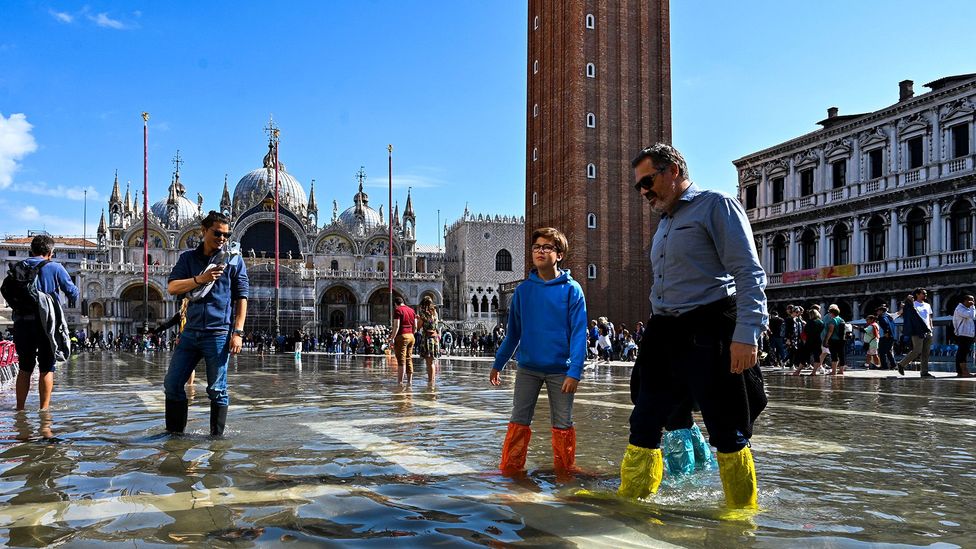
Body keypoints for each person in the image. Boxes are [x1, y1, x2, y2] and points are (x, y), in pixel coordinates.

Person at [620, 143, 767, 510]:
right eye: (638, 186)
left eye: (647, 181)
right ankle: (634, 499)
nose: (643, 192)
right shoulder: (664, 222)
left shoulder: (716, 205)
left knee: (727, 427)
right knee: (645, 418)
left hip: (710, 326)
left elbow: (748, 272)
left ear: (673, 171)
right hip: (664, 332)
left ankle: (741, 510)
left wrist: (746, 335)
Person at [491, 227, 587, 478]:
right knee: (519, 419)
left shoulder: (572, 290)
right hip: (528, 369)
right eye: (536, 247)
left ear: (560, 254)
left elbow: (579, 334)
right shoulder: (523, 291)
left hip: (562, 371)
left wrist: (575, 371)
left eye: (547, 247)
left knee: (563, 421)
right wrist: (498, 363)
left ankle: (565, 471)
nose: (540, 251)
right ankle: (511, 470)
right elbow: (513, 333)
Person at [162, 211, 249, 436]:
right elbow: (172, 288)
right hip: (190, 332)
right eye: (217, 233)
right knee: (172, 384)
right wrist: (200, 279)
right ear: (204, 231)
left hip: (218, 332)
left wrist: (237, 332)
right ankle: (174, 436)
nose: (222, 239)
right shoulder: (187, 259)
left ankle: (216, 441)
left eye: (226, 235)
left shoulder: (233, 260)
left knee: (217, 390)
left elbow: (242, 297)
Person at [10, 235, 79, 410]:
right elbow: (73, 293)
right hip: (46, 324)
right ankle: (44, 410)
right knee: (47, 367)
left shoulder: (19, 267)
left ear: (31, 251)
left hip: (22, 323)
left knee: (24, 367)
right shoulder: (55, 267)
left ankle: (20, 409)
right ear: (50, 252)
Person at [896, 289, 934, 377]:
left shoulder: (927, 305)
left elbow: (929, 317)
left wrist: (931, 327)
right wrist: (907, 301)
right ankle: (902, 364)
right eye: (923, 293)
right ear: (917, 294)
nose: (925, 295)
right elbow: (901, 313)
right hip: (917, 330)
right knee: (917, 350)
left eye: (926, 294)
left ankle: (924, 372)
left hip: (928, 330)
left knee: (926, 352)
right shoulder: (912, 304)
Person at [389, 296, 417, 384]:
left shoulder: (398, 310)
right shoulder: (412, 310)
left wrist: (392, 338)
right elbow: (415, 326)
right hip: (411, 336)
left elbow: (396, 326)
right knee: (409, 358)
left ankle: (400, 382)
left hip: (402, 336)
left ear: (395, 304)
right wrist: (412, 333)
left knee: (401, 360)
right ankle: (409, 381)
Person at [416, 295, 441, 383]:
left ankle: (430, 382)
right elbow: (436, 326)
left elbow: (418, 327)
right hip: (435, 339)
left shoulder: (423, 314)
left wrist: (418, 320)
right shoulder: (435, 313)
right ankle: (432, 380)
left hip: (427, 339)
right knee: (432, 362)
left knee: (429, 362)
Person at [952, 294, 974, 378]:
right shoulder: (960, 309)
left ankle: (960, 372)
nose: (973, 302)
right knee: (962, 353)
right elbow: (971, 315)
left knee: (963, 352)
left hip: (968, 334)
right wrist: (973, 307)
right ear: (965, 301)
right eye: (971, 300)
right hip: (963, 333)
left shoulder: (966, 309)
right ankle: (964, 372)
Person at [821, 305, 847, 375]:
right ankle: (841, 371)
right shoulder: (841, 319)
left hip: (834, 340)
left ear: (832, 313)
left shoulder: (833, 320)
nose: (829, 314)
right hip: (842, 340)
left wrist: (826, 340)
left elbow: (830, 331)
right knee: (841, 355)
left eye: (830, 313)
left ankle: (834, 371)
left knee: (834, 355)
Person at [875, 305, 897, 371]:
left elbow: (885, 325)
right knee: (888, 351)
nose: (877, 312)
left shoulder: (882, 317)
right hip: (891, 336)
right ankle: (893, 365)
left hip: (885, 336)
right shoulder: (889, 317)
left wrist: (886, 333)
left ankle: (885, 366)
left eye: (878, 311)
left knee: (882, 352)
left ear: (881, 311)